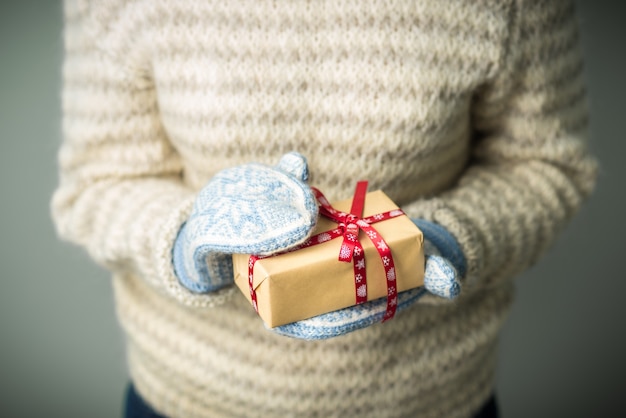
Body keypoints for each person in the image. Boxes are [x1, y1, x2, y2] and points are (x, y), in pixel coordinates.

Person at [52, 0, 597, 417]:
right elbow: (97, 183)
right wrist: (190, 244)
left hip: (431, 399)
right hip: (187, 397)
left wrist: (436, 244)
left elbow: (547, 166)